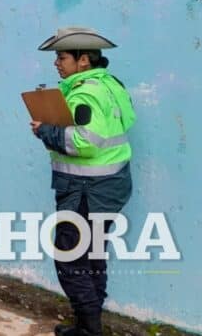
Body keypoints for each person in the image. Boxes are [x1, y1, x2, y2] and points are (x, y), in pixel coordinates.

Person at [30, 27, 136, 336]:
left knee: (70, 258)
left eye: (62, 57)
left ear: (84, 60)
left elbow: (85, 141)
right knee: (92, 256)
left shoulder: (84, 94)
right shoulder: (110, 84)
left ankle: (89, 330)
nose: (56, 63)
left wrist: (45, 130)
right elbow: (127, 120)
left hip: (87, 190)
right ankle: (88, 326)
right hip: (112, 186)